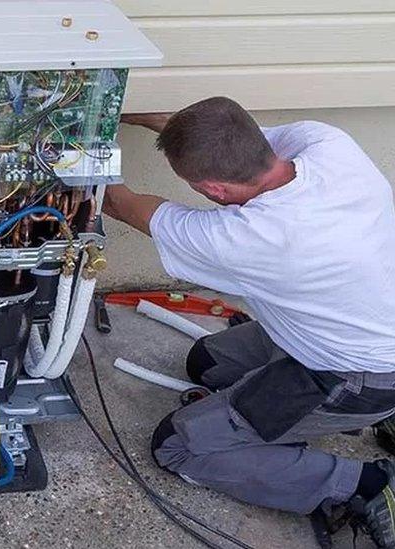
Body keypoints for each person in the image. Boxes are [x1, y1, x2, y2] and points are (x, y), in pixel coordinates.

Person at [103, 96, 395, 547]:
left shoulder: (251, 238)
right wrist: (107, 114)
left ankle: (362, 485)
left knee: (177, 445)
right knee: (207, 364)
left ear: (214, 190)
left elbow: (121, 205)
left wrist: (64, 158)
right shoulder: (327, 144)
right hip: (348, 326)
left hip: (355, 376)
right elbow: (192, 127)